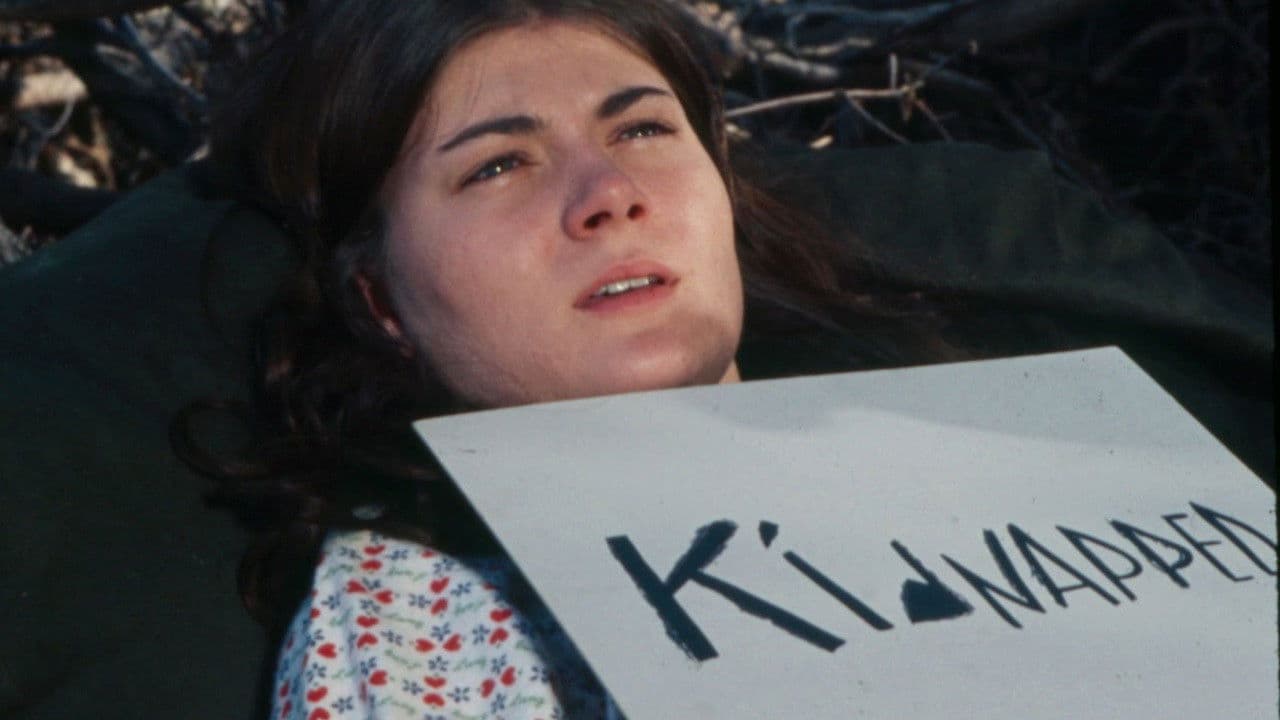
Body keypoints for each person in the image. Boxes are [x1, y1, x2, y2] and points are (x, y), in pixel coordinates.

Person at [194, 0, 953, 717]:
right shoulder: (408, 631)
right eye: (498, 166)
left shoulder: (959, 439)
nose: (611, 192)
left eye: (641, 129)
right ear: (382, 301)